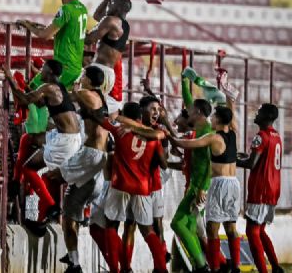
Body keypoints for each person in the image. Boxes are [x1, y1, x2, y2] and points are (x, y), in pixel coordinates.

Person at [3, 59, 81, 233]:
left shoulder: (49, 88)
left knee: (28, 168)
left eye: (43, 70)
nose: (40, 73)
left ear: (51, 73)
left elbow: (24, 101)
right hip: (66, 136)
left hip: (65, 140)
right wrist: (28, 87)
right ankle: (16, 182)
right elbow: (39, 103)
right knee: (29, 139)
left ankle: (50, 204)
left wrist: (11, 79)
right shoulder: (57, 87)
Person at [47, 65, 108, 273]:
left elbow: (64, 94)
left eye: (84, 76)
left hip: (90, 156)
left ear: (89, 80)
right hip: (96, 161)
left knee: (51, 174)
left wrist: (53, 81)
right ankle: (73, 259)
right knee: (71, 207)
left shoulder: (86, 93)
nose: (81, 78)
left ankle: (48, 210)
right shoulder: (100, 97)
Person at [96, 102, 169, 273]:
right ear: (139, 117)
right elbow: (164, 164)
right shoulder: (153, 137)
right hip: (143, 188)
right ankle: (161, 268)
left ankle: (116, 269)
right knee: (148, 230)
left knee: (112, 225)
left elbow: (100, 118)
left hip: (120, 185)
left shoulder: (119, 130)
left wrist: (115, 116)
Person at [170, 104, 241, 273]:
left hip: (219, 184)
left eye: (214, 117)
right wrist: (229, 97)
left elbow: (189, 144)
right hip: (234, 183)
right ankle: (236, 268)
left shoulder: (213, 137)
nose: (212, 119)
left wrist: (169, 136)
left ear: (219, 119)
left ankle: (215, 267)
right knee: (231, 228)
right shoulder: (232, 133)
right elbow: (232, 116)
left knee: (212, 229)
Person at [170, 69, 219, 272]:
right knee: (189, 227)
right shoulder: (201, 126)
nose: (187, 112)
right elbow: (189, 100)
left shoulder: (207, 132)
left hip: (199, 187)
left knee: (177, 224)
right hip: (196, 185)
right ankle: (197, 265)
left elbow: (210, 163)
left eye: (191, 111)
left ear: (198, 113)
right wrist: (183, 81)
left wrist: (203, 188)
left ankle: (202, 266)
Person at [237, 104, 284, 273]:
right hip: (273, 188)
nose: (256, 114)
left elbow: (252, 164)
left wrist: (230, 160)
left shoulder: (261, 136)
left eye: (259, 111)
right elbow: (264, 159)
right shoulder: (276, 136)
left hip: (262, 189)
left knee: (252, 231)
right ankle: (276, 266)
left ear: (265, 116)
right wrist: (245, 156)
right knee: (260, 230)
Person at [85, 0, 132, 115]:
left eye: (111, 2)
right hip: (108, 74)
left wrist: (71, 31)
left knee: (82, 103)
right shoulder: (124, 25)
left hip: (98, 71)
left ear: (116, 8)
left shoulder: (110, 21)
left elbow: (89, 40)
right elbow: (97, 16)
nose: (108, 4)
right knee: (94, 111)